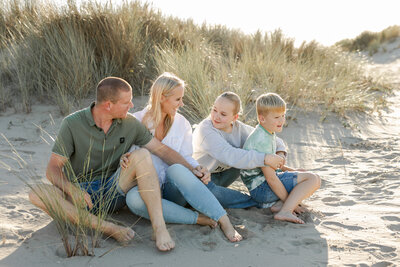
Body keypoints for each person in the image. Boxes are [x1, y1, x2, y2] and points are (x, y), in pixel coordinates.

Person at [28, 77, 209, 251]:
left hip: (114, 189)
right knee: (36, 193)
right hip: (80, 197)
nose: (131, 106)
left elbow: (162, 150)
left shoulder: (129, 123)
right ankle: (110, 229)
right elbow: (53, 169)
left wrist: (193, 169)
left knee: (142, 154)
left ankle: (159, 229)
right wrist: (71, 189)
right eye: (126, 102)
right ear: (108, 105)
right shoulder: (72, 124)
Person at [122, 72, 242, 242]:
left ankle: (225, 221)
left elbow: (187, 156)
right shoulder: (136, 121)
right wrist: (123, 158)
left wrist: (198, 168)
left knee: (177, 169)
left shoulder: (181, 123)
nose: (182, 103)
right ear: (163, 98)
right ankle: (196, 218)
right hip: (147, 190)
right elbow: (126, 155)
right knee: (132, 199)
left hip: (173, 190)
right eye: (178, 99)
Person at [241, 93, 321, 224]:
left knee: (306, 175)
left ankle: (279, 205)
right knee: (312, 179)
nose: (281, 120)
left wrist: (295, 171)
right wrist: (291, 204)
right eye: (277, 117)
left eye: (283, 115)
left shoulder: (267, 132)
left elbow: (275, 168)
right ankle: (286, 210)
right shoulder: (261, 139)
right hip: (261, 188)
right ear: (262, 118)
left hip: (263, 186)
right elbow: (271, 178)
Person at [192, 92, 286, 189]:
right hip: (202, 178)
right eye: (214, 110)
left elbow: (264, 136)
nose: (216, 117)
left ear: (235, 117)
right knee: (248, 158)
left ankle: (272, 188)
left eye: (223, 114)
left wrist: (280, 153)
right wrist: (265, 158)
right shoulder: (205, 130)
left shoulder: (239, 128)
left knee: (253, 151)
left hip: (224, 176)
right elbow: (229, 154)